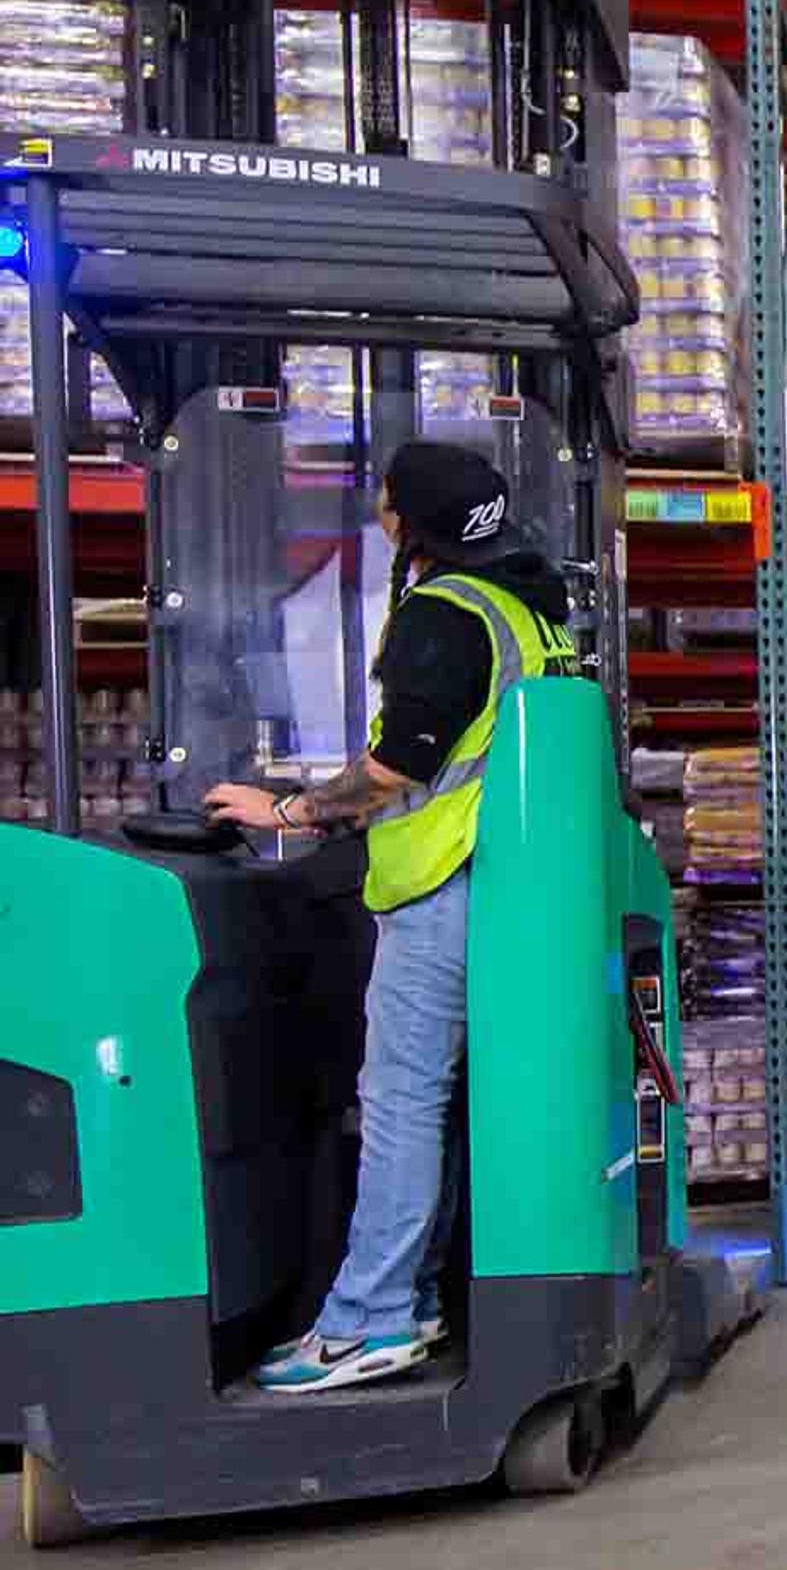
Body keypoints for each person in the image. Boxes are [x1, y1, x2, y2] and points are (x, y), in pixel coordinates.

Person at [202, 442, 577, 1395]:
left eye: (384, 503)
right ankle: (405, 1302)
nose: (377, 514)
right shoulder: (525, 606)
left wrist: (283, 811)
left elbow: (398, 766)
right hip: (499, 880)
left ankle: (369, 1318)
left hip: (437, 880)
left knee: (402, 1101)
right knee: (432, 1102)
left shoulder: (445, 613)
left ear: (410, 521)